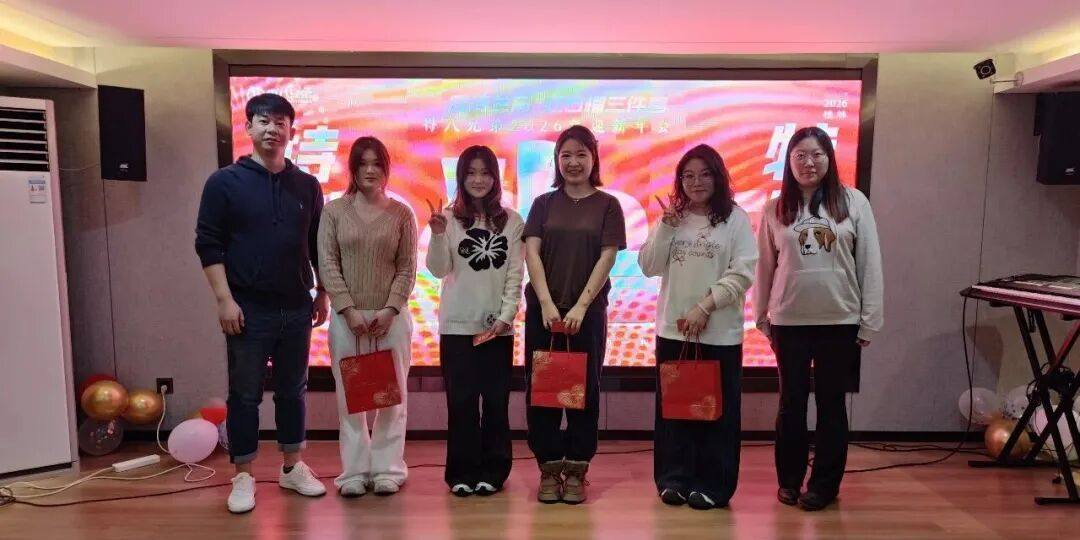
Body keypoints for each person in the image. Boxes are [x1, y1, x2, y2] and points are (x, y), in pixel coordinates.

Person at [195, 92, 329, 514]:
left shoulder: (307, 185)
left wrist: (323, 292)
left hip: (297, 305)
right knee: (245, 395)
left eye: (280, 122)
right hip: (247, 308)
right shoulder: (224, 183)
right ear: (249, 127)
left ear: (291, 131)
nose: (272, 129)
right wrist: (224, 300)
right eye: (264, 121)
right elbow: (208, 244)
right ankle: (243, 476)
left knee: (293, 391)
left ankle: (292, 467)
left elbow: (317, 245)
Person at [754, 126, 883, 511]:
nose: (808, 163)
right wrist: (761, 316)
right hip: (788, 321)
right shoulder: (775, 208)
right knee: (790, 404)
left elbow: (870, 263)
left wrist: (869, 319)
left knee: (831, 404)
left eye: (816, 154)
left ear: (829, 158)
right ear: (788, 162)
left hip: (839, 320)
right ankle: (789, 481)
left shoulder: (853, 202)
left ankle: (824, 485)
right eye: (800, 155)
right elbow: (765, 266)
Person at [638, 144, 757, 510]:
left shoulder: (735, 219)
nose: (696, 182)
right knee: (674, 410)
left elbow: (743, 273)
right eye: (688, 176)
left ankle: (713, 485)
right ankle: (673, 479)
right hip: (674, 330)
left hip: (718, 332)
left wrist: (705, 306)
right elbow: (648, 266)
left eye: (705, 174)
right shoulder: (673, 218)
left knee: (716, 413)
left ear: (718, 177)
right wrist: (665, 227)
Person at [522, 125, 626, 504]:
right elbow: (532, 253)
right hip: (544, 313)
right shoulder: (543, 204)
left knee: (584, 393)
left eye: (581, 154)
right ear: (557, 160)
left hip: (588, 313)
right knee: (543, 391)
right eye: (565, 155)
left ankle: (578, 468)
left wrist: (581, 306)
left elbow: (607, 257)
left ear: (594, 158)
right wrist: (547, 304)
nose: (573, 162)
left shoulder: (608, 205)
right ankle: (549, 468)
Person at [317, 136, 417, 498]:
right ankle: (355, 472)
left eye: (377, 163)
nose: (370, 170)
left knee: (392, 399)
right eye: (363, 163)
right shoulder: (334, 212)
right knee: (350, 398)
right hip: (348, 321)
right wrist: (347, 309)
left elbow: (407, 267)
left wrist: (390, 309)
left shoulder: (402, 214)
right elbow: (328, 263)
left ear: (386, 168)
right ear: (353, 169)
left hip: (391, 320)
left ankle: (388, 469)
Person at [426, 145, 525, 497]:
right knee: (461, 403)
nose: (478, 180)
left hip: (496, 328)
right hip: (457, 326)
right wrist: (438, 234)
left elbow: (515, 274)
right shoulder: (448, 219)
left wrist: (506, 317)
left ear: (496, 178)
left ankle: (494, 471)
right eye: (471, 173)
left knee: (496, 403)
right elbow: (439, 269)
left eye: (485, 173)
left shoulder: (512, 221)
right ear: (461, 178)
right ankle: (461, 472)